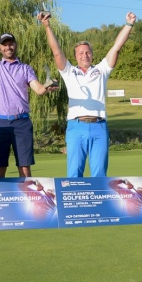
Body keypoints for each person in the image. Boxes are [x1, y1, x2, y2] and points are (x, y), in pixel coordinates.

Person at [38, 11, 136, 178]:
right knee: (74, 173)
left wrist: (128, 25)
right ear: (75, 56)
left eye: (87, 52)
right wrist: (47, 26)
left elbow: (116, 47)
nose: (85, 55)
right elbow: (56, 52)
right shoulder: (69, 71)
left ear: (92, 54)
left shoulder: (101, 70)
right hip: (76, 127)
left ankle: (98, 205)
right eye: (81, 53)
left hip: (99, 126)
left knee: (99, 174)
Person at [0, 0, 57, 178]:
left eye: (11, 43)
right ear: (0, 48)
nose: (8, 47)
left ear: (15, 46)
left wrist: (47, 86)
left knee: (25, 169)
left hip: (22, 122)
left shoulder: (26, 68)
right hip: (0, 123)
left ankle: (26, 202)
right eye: (4, 44)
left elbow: (37, 89)